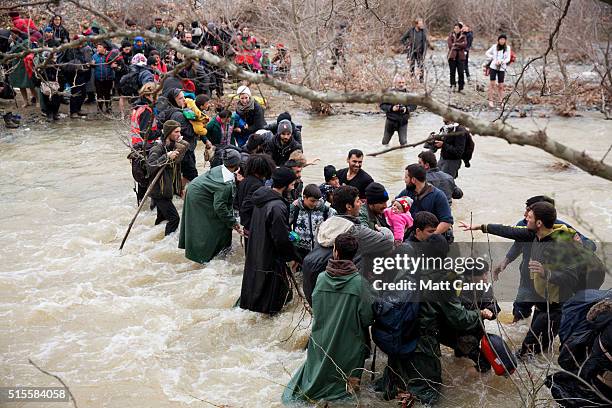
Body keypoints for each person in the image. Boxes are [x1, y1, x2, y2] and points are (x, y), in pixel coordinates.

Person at [459, 202, 586, 358]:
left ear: (539, 223)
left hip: (556, 307)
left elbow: (573, 278)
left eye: (530, 217)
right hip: (541, 303)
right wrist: (480, 227)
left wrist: (547, 273)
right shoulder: (535, 234)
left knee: (526, 353)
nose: (526, 219)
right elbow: (510, 231)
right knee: (539, 349)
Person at [377, 233, 490, 405]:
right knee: (428, 394)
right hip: (421, 343)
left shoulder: (406, 267)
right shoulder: (443, 279)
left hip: (397, 334)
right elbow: (458, 318)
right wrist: (479, 314)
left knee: (392, 388)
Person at [282, 233, 373, 403]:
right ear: (354, 254)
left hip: (320, 340)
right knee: (347, 391)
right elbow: (367, 318)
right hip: (349, 345)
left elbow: (316, 306)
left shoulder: (322, 278)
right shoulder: (360, 284)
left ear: (335, 252)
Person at [492, 195, 596, 323]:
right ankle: (518, 336)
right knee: (519, 313)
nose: (525, 214)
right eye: (526, 210)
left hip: (549, 282)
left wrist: (579, 246)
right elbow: (518, 245)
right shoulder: (523, 224)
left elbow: (591, 245)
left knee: (545, 315)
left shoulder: (560, 228)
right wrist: (505, 262)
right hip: (527, 278)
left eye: (529, 210)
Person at [302, 185, 394, 304]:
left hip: (322, 290)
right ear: (349, 206)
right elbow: (388, 240)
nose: (361, 203)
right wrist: (382, 229)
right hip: (346, 292)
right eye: (357, 201)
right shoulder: (356, 231)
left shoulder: (324, 225)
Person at [239, 167, 302, 315]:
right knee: (273, 300)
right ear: (285, 184)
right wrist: (295, 256)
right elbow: (281, 240)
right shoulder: (278, 207)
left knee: (258, 291)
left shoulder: (261, 197)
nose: (293, 187)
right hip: (270, 257)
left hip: (257, 250)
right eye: (292, 184)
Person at [179, 148, 241, 263]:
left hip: (194, 189)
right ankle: (206, 257)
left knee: (212, 223)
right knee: (207, 226)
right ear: (237, 165)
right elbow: (220, 207)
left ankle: (214, 251)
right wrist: (233, 223)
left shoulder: (221, 168)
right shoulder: (225, 184)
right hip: (199, 198)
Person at [157, 88, 210, 187]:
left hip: (183, 149)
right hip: (184, 149)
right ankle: (183, 194)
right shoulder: (178, 115)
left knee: (185, 175)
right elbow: (188, 132)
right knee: (192, 176)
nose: (184, 100)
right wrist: (198, 127)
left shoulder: (174, 111)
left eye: (184, 97)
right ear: (174, 100)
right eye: (180, 98)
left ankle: (180, 192)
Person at [146, 120, 189, 235]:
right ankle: (165, 243)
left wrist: (182, 143)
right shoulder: (158, 148)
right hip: (159, 192)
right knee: (174, 219)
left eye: (179, 132)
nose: (179, 134)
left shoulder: (171, 145)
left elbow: (180, 155)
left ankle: (153, 239)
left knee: (161, 219)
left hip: (166, 189)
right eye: (176, 132)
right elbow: (150, 167)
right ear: (168, 132)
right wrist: (166, 157)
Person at [397, 164, 453, 240]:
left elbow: (447, 222)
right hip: (412, 234)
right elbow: (392, 207)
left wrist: (430, 237)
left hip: (430, 238)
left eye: (406, 177)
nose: (404, 180)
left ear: (413, 180)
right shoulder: (407, 192)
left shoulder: (438, 196)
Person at [235, 154, 276, 251]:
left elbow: (236, 203)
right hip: (254, 229)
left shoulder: (244, 182)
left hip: (247, 228)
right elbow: (246, 206)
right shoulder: (257, 185)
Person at [128, 83, 160, 204]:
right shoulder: (146, 111)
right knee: (147, 180)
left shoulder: (137, 107)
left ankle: (142, 205)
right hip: (145, 149)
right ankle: (150, 207)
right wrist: (160, 132)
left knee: (141, 182)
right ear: (150, 95)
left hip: (137, 148)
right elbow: (145, 134)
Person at [289, 184, 336, 259]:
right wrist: (292, 238)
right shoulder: (295, 208)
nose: (315, 204)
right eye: (312, 201)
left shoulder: (325, 210)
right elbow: (285, 225)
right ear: (304, 197)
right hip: (298, 251)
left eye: (317, 201)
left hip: (318, 251)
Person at [60, 37, 92, 118]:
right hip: (73, 76)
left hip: (81, 74)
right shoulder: (68, 50)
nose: (81, 45)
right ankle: (73, 111)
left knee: (83, 93)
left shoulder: (80, 50)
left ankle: (78, 108)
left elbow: (84, 61)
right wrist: (74, 64)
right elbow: (62, 63)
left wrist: (87, 65)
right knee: (75, 93)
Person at [380, 75, 416, 146]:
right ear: (395, 83)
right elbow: (382, 105)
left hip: (403, 122)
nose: (401, 84)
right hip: (391, 121)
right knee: (385, 142)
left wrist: (407, 109)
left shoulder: (409, 94)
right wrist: (391, 108)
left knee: (404, 143)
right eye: (399, 83)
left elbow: (414, 106)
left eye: (403, 82)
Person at [485, 34, 512, 108]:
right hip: (493, 67)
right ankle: (490, 100)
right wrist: (493, 58)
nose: (502, 41)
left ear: (505, 40)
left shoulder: (508, 48)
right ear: (498, 40)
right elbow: (487, 53)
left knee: (501, 86)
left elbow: (508, 59)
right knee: (492, 84)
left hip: (502, 68)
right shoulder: (494, 46)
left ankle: (501, 100)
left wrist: (501, 61)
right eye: (501, 39)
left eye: (503, 39)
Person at [91, 41, 116, 114]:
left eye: (99, 47)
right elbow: (92, 65)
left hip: (108, 79)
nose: (97, 49)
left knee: (108, 94)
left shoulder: (109, 55)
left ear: (104, 48)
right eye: (97, 47)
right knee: (99, 94)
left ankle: (108, 108)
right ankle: (100, 109)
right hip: (98, 79)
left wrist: (114, 65)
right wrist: (92, 64)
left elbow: (115, 64)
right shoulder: (95, 56)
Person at [447, 23, 467, 93]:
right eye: (455, 28)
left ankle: (460, 88)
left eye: (457, 28)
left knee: (461, 72)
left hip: (460, 57)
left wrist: (455, 44)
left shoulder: (463, 36)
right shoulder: (451, 35)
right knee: (452, 72)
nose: (456, 29)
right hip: (452, 56)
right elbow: (450, 45)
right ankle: (452, 85)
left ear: (460, 29)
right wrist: (459, 45)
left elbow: (464, 45)